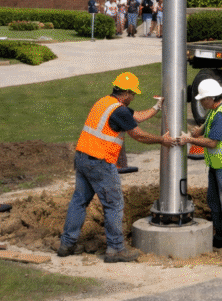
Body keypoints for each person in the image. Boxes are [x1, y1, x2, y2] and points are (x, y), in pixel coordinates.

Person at [58, 72, 176, 262]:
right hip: (100, 162)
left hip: (82, 157)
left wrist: (156, 108)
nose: (134, 97)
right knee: (114, 204)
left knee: (79, 201)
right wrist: (162, 140)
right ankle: (116, 249)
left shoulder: (105, 103)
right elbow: (138, 135)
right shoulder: (119, 110)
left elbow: (135, 116)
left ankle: (67, 244)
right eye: (133, 94)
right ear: (127, 93)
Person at [179, 78, 222, 249]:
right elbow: (206, 127)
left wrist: (189, 140)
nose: (200, 102)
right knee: (214, 202)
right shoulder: (214, 112)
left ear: (211, 98)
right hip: (218, 165)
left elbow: (212, 143)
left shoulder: (221, 115)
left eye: (202, 99)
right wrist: (198, 132)